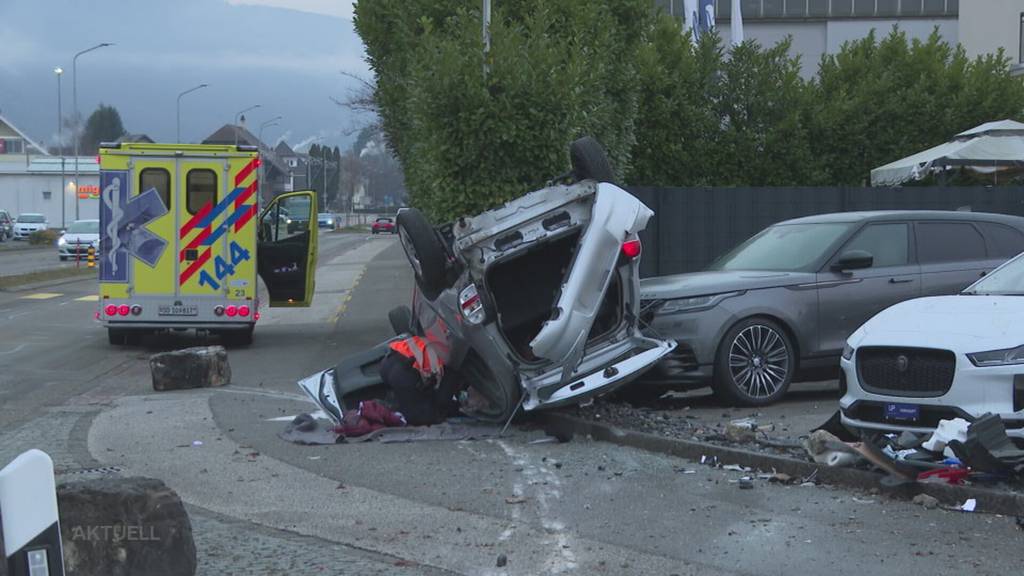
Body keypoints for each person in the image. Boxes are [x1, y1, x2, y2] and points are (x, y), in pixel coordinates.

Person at [380, 335, 460, 426]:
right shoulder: (454, 362)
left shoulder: (441, 336)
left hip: (389, 360)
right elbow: (442, 398)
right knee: (426, 418)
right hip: (404, 371)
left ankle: (397, 408)